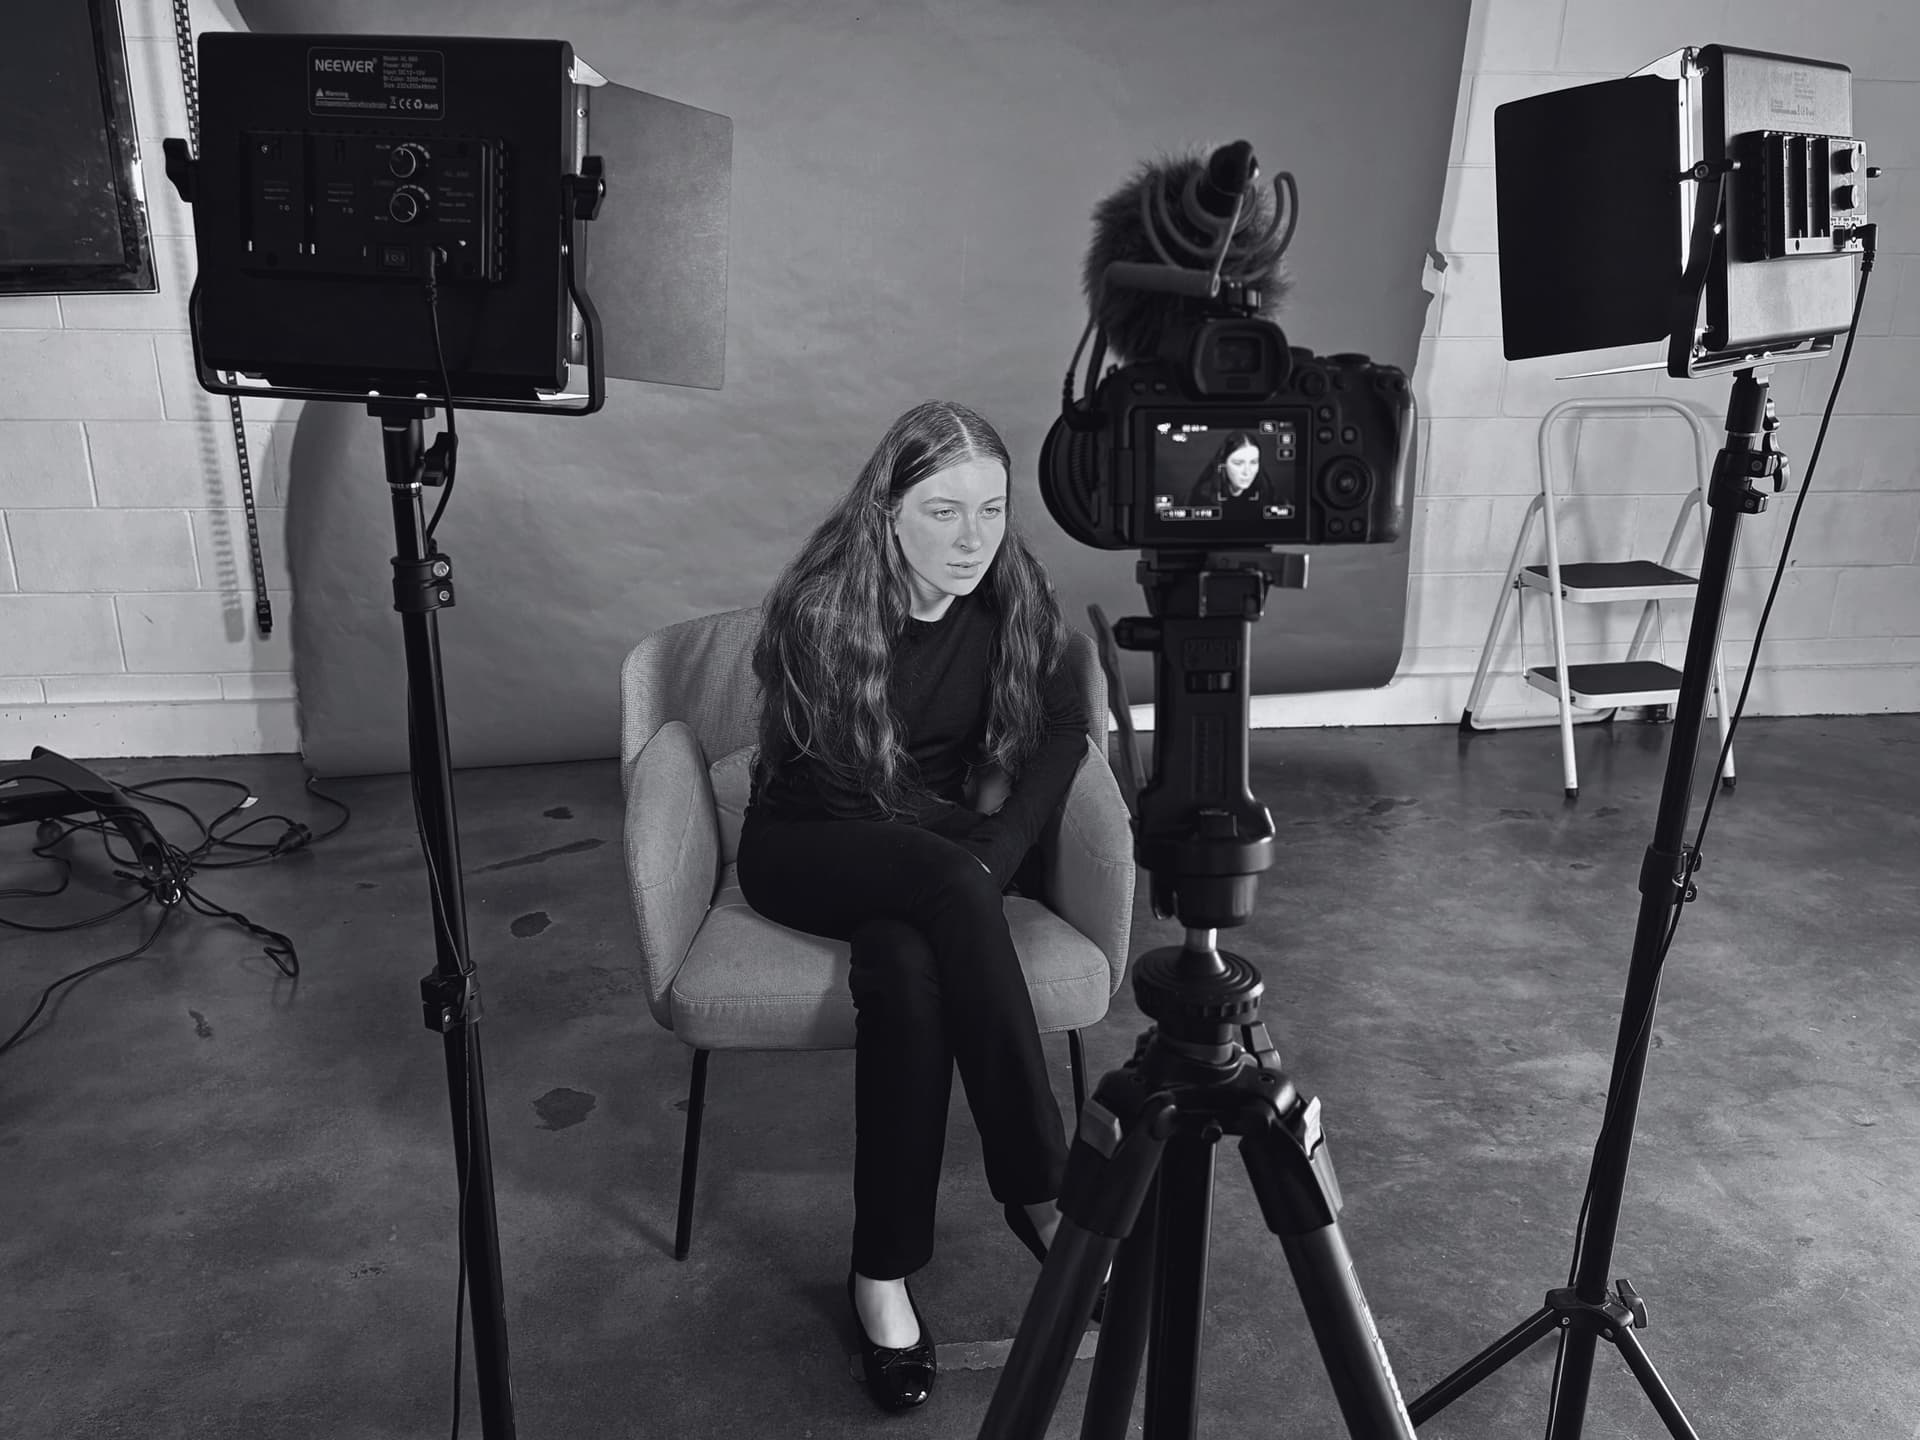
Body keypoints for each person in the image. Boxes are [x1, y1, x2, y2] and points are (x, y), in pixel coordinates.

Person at [737, 399, 1089, 1413]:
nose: (973, 539)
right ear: (887, 512)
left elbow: (1064, 725)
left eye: (991, 509)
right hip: (812, 841)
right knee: (944, 890)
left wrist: (999, 848)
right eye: (943, 511)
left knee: (904, 964)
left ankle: (880, 1274)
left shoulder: (1011, 587)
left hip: (937, 862)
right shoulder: (822, 608)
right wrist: (973, 863)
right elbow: (853, 794)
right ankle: (1044, 1193)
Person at [1186, 429, 1275, 505]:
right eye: (1238, 463)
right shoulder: (1203, 496)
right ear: (1223, 464)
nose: (1247, 472)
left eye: (1253, 462)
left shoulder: (1265, 490)